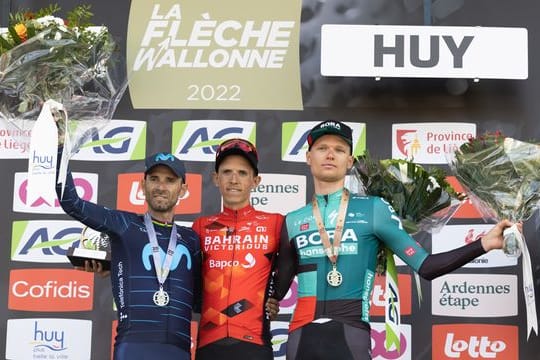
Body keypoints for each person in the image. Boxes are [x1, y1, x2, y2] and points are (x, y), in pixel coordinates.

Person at [269, 120, 520, 360]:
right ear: (308, 158)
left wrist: (485, 243)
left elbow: (427, 266)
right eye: (322, 148)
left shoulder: (374, 210)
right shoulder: (292, 220)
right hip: (300, 335)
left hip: (351, 333)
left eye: (339, 149)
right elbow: (276, 291)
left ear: (350, 161)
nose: (330, 154)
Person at [56, 147, 201, 360]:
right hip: (133, 347)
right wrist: (61, 147)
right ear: (143, 185)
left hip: (178, 350)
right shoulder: (125, 224)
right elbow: (71, 202)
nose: (161, 186)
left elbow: (200, 300)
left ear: (183, 189)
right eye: (154, 178)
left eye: (170, 180)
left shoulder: (192, 239)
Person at [192, 138, 283, 360]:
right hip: (208, 344)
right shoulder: (201, 226)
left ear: (256, 180)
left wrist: (277, 294)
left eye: (242, 173)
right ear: (216, 178)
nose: (234, 180)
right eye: (226, 172)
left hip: (254, 342)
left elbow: (306, 259)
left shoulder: (275, 223)